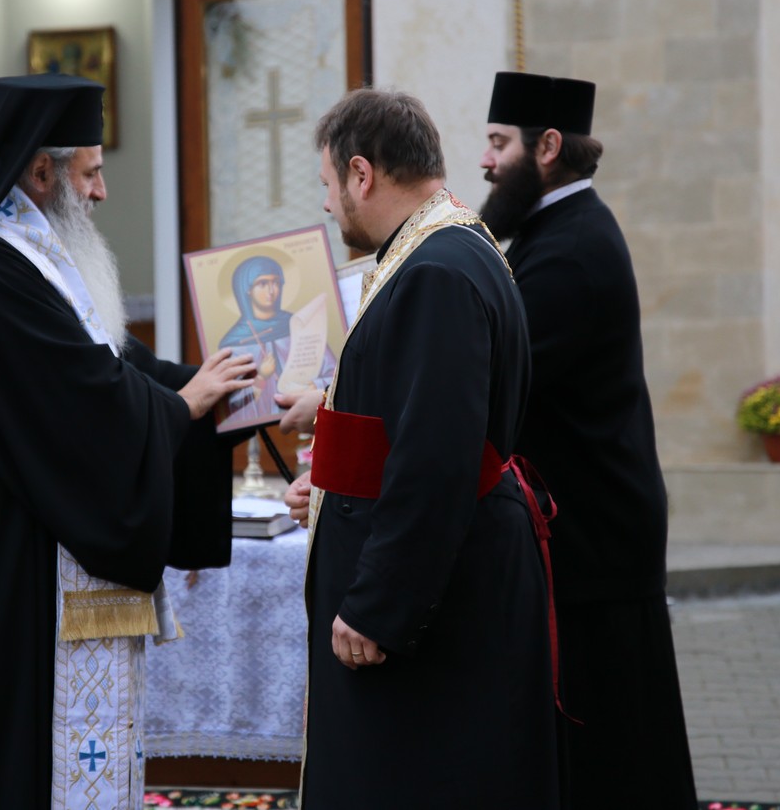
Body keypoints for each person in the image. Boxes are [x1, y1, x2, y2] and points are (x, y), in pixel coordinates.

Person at [0, 73, 255, 809]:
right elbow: (83, 401)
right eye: (92, 171)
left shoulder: (39, 255)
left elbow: (114, 364)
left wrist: (225, 392)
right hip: (0, 574)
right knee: (8, 763)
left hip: (30, 558)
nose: (102, 192)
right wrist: (181, 407)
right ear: (42, 171)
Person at [283, 88, 558, 807]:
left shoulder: (435, 270)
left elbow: (435, 457)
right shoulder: (443, 247)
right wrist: (330, 465)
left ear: (361, 174)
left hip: (440, 597)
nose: (326, 204)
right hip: (457, 570)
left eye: (327, 184)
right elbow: (407, 418)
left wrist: (378, 604)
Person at [477, 71, 697, 809]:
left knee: (613, 744)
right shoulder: (553, 232)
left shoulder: (566, 250)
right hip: (587, 525)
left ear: (546, 146)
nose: (485, 161)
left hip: (593, 531)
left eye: (497, 143)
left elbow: (494, 378)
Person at [218, 255, 335, 429]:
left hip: (314, 422)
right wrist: (261, 377)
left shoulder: (299, 325)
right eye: (262, 284)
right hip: (260, 432)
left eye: (276, 283)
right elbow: (231, 405)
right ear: (247, 289)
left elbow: (334, 374)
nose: (271, 291)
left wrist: (314, 387)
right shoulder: (234, 343)